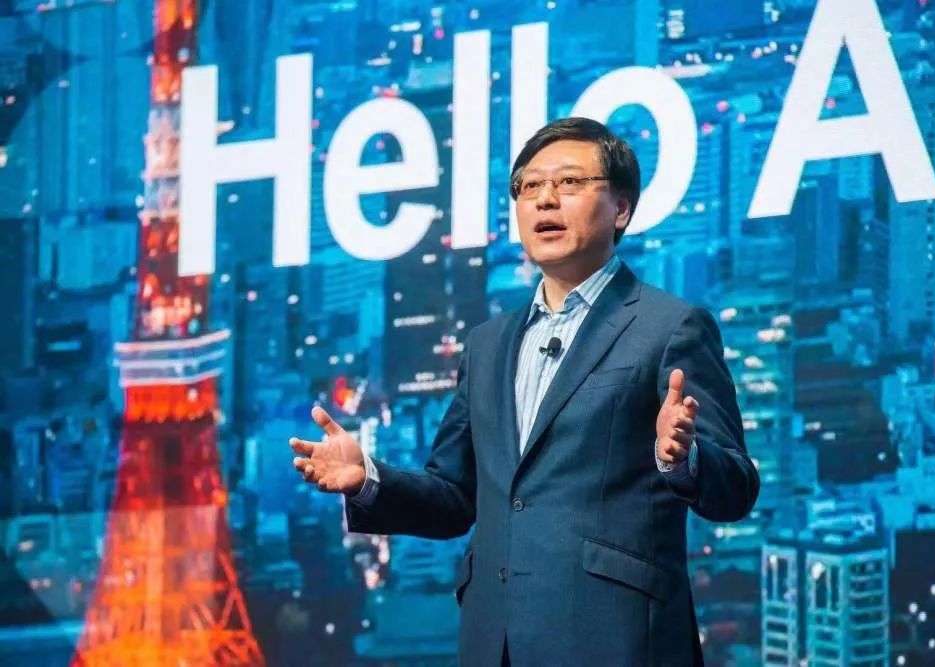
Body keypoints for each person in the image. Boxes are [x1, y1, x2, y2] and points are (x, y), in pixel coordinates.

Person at [290, 117, 759, 666]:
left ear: (621, 209)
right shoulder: (487, 344)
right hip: (496, 643)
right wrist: (368, 479)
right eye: (529, 186)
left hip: (619, 641)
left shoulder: (670, 327)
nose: (544, 199)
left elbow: (736, 487)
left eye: (570, 182)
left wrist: (682, 459)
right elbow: (455, 498)